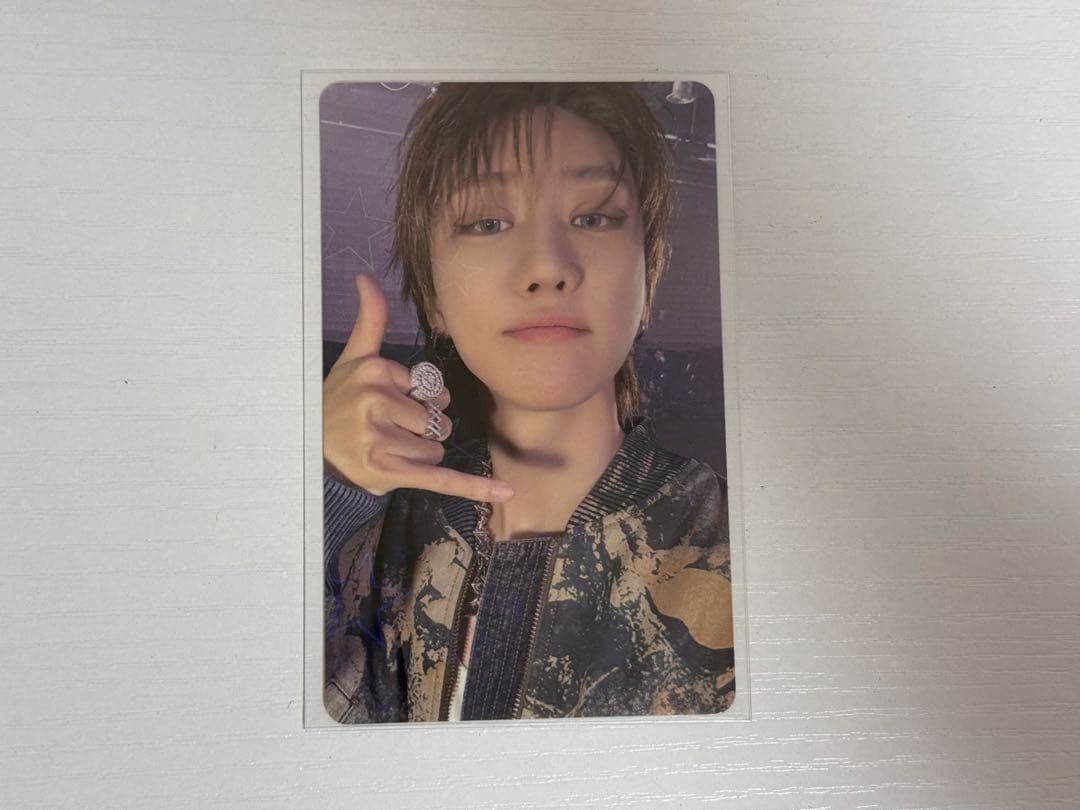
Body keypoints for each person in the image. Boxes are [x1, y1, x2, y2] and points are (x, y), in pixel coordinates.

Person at [322, 83, 734, 722]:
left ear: (647, 275)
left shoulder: (753, 553)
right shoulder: (366, 543)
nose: (547, 266)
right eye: (487, 223)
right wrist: (325, 490)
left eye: (593, 218)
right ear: (433, 297)